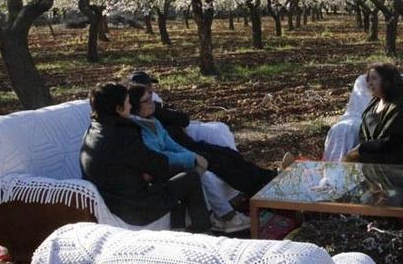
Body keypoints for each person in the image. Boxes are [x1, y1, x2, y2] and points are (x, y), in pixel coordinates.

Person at [80, 82, 211, 232]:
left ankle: (178, 230)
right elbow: (158, 165)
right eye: (128, 102)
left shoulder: (92, 131)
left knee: (173, 178)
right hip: (134, 209)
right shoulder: (124, 136)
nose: (130, 106)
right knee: (190, 178)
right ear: (118, 108)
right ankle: (205, 235)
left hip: (114, 199)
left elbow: (147, 166)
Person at [128, 71, 278, 197]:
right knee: (221, 162)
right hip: (184, 154)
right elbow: (162, 151)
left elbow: (183, 119)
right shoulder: (143, 123)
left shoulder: (154, 113)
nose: (151, 93)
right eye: (147, 93)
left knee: (229, 153)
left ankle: (269, 177)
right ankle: (259, 194)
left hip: (188, 145)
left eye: (151, 89)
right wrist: (191, 156)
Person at [127, 83, 252, 233]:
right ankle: (222, 219)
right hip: (154, 172)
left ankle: (222, 218)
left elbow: (171, 144)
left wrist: (193, 156)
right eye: (146, 101)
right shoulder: (137, 128)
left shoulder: (153, 121)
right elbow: (157, 156)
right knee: (194, 173)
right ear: (134, 105)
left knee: (202, 168)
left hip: (167, 165)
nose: (151, 103)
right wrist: (189, 159)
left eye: (151, 99)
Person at [344, 63, 403, 166]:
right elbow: (364, 130)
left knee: (352, 158)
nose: (369, 83)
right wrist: (362, 148)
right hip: (378, 154)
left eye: (374, 79)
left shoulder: (401, 105)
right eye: (368, 79)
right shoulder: (375, 102)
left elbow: (389, 142)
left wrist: (361, 148)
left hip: (397, 160)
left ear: (387, 81)